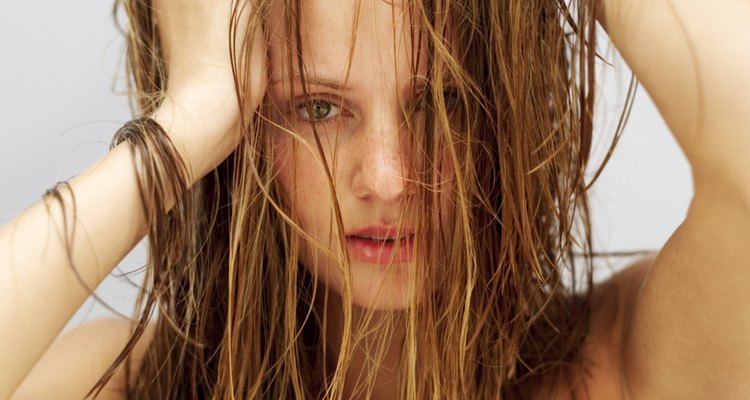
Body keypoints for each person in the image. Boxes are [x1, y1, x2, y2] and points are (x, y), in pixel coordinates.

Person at [2, 0, 749, 398]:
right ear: (248, 131)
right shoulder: (132, 385)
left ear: (513, 110)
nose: (389, 178)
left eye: (445, 101)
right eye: (319, 109)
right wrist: (190, 119)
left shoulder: (630, 367)